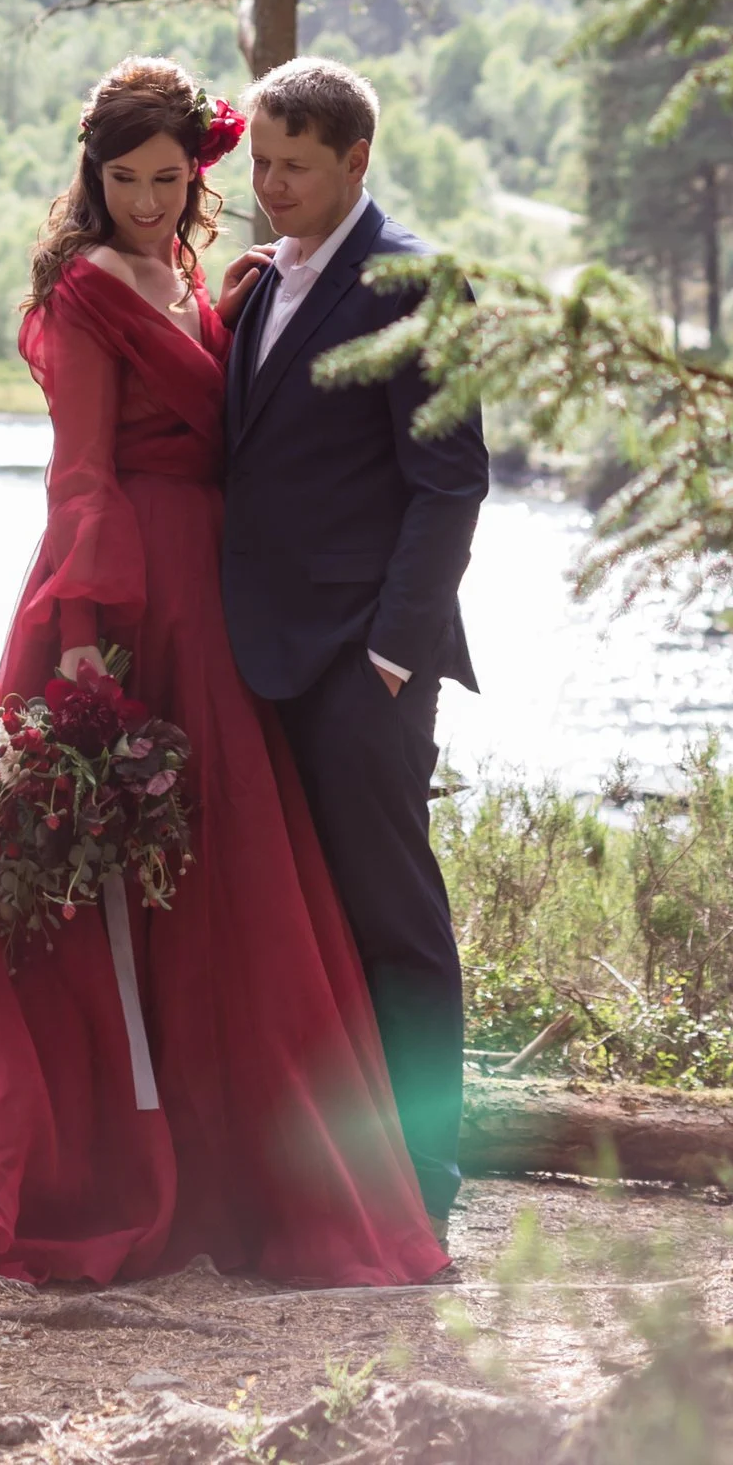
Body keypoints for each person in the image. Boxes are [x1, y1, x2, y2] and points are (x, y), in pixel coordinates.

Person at [0, 55, 446, 1289]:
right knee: (93, 900)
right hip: (114, 600)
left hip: (213, 611)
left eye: (167, 178)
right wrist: (83, 643)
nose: (145, 197)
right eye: (124, 178)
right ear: (95, 177)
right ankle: (83, 1164)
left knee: (226, 891)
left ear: (199, 179)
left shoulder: (204, 281)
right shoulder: (85, 292)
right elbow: (79, 472)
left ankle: (232, 1163)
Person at [218, 59, 488, 1225]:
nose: (269, 185)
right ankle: (321, 1170)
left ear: (355, 162)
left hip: (361, 663)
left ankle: (423, 1180)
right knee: (292, 922)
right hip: (257, 654)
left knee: (393, 921)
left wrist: (391, 655)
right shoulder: (259, 282)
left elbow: (450, 484)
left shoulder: (412, 280)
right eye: (260, 163)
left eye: (295, 166)